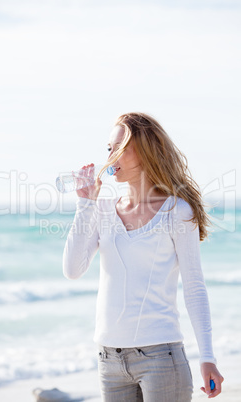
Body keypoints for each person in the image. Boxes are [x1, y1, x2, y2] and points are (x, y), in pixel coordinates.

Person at [62, 112, 224, 401]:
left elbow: (195, 287)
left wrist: (208, 357)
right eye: (108, 149)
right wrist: (85, 204)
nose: (110, 157)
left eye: (118, 149)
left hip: (161, 358)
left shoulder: (177, 210)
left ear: (145, 150)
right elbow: (72, 269)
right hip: (109, 361)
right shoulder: (103, 209)